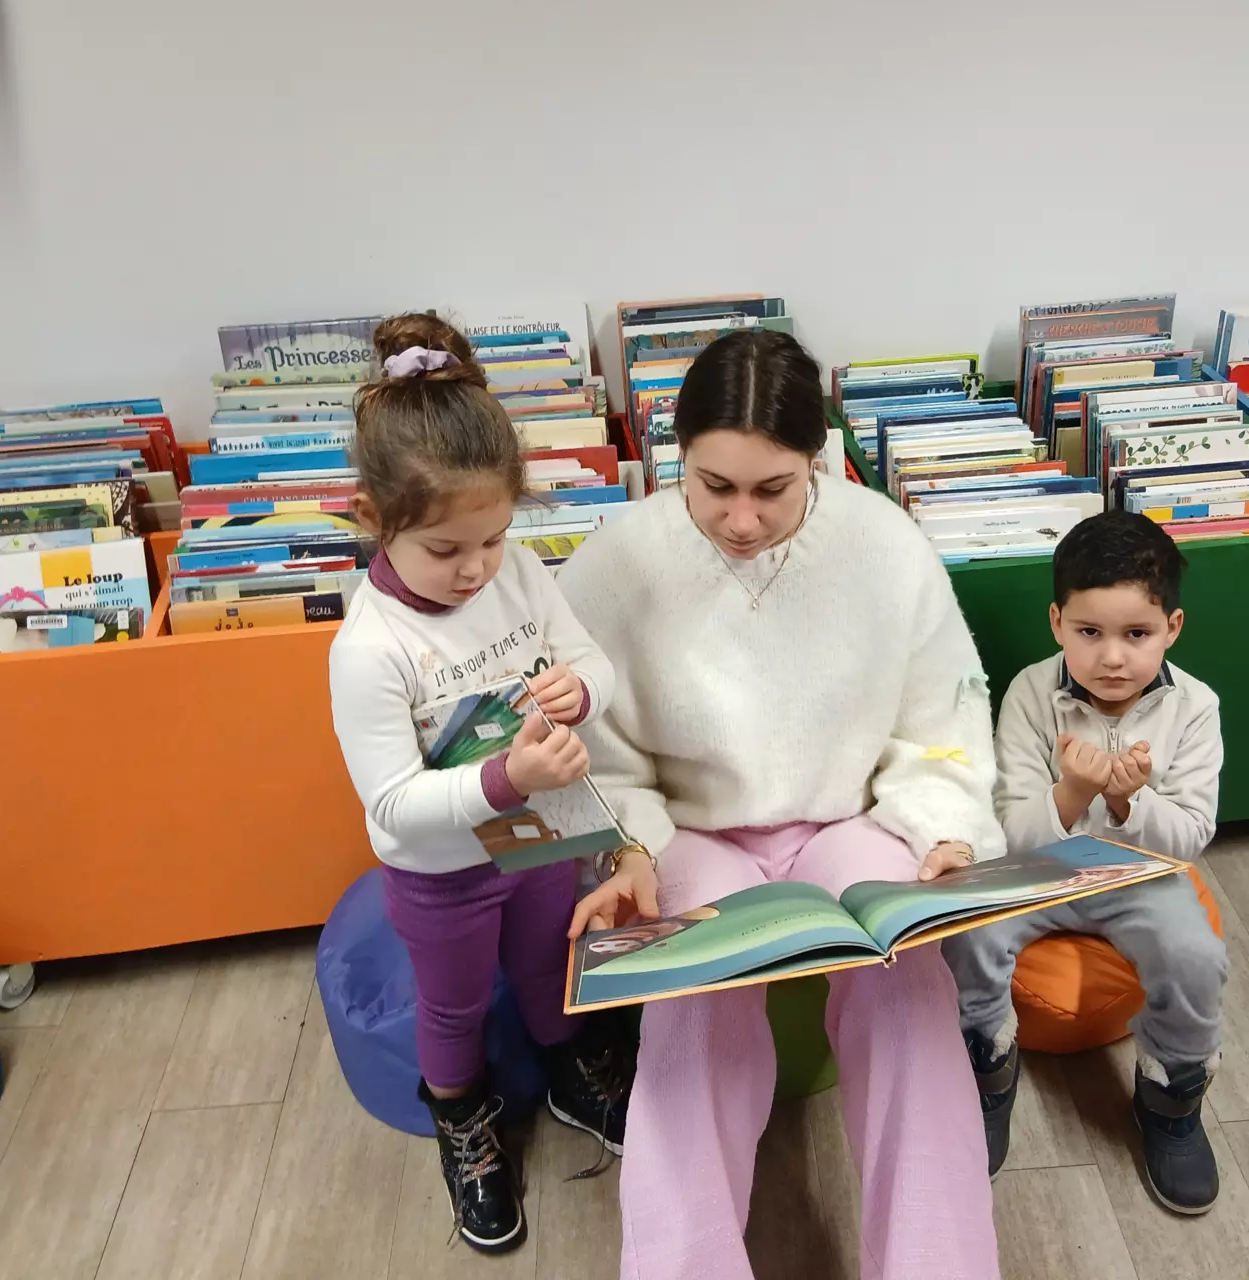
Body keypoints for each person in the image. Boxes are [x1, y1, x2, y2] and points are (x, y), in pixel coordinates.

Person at [559, 329, 1006, 1280]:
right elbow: (591, 751)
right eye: (714, 486)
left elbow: (943, 712)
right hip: (688, 831)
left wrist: (943, 823)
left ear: (821, 460)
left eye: (774, 489)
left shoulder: (885, 540)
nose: (742, 519)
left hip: (851, 821)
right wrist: (625, 847)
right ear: (674, 454)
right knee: (694, 1018)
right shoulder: (614, 561)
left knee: (913, 997)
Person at [328, 313, 634, 1255]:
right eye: (446, 551)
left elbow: (592, 660)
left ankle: (569, 1065)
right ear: (374, 521)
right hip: (444, 872)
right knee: (454, 1008)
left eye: (494, 540)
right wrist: (505, 779)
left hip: (541, 839)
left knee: (551, 967)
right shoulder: (369, 649)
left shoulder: (520, 574)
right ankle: (461, 1122)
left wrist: (581, 691)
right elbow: (392, 811)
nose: (476, 571)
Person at [943, 509, 1229, 1214]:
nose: (1112, 658)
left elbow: (1191, 837)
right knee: (967, 934)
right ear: (1056, 623)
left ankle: (1172, 1096)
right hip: (1035, 874)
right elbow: (1009, 831)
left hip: (1137, 874)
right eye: (1089, 633)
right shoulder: (1029, 695)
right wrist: (1073, 790)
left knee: (1195, 952)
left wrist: (1133, 806)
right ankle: (986, 1068)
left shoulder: (1195, 708)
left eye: (1137, 635)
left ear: (1173, 629)